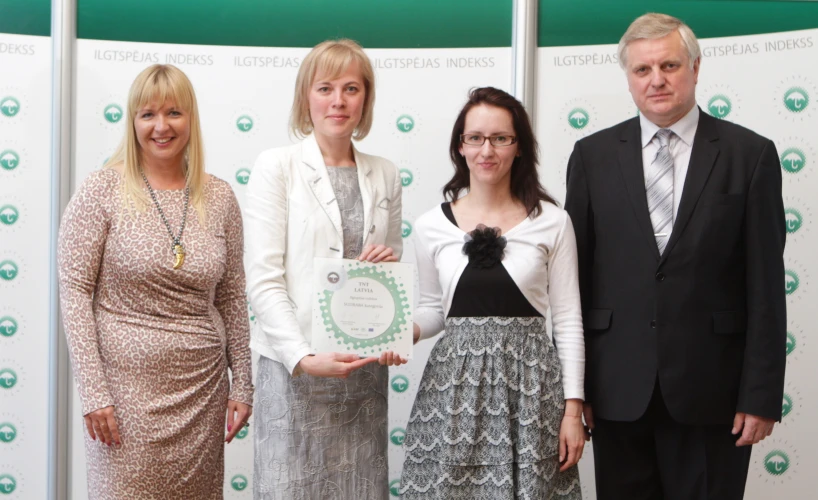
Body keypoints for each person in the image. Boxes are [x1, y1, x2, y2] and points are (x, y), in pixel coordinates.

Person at [564, 13, 786, 500]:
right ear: (628, 77)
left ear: (696, 67)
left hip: (716, 394)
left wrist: (762, 395)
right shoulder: (592, 156)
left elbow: (767, 286)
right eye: (642, 70)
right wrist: (573, 393)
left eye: (669, 65)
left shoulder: (750, 155)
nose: (657, 80)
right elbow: (572, 286)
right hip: (616, 392)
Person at [58, 64, 253, 499]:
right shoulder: (100, 190)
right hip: (124, 399)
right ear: (132, 122)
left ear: (192, 120)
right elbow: (74, 291)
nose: (161, 126)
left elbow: (232, 296)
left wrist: (243, 382)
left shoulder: (219, 196)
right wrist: (93, 391)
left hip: (202, 392)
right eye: (147, 114)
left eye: (174, 113)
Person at [400, 87, 585, 499]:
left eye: (501, 138)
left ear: (519, 148)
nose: (488, 150)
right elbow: (433, 310)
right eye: (475, 138)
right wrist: (399, 331)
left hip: (532, 389)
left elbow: (569, 320)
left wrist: (573, 410)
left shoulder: (552, 221)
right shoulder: (431, 225)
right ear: (460, 147)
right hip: (453, 391)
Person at [245, 38, 406, 500]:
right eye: (325, 88)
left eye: (352, 88)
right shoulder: (277, 166)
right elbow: (263, 277)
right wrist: (301, 356)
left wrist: (390, 327)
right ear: (305, 97)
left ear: (366, 99)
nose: (338, 101)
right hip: (294, 371)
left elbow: (388, 267)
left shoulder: (386, 173)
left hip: (361, 371)